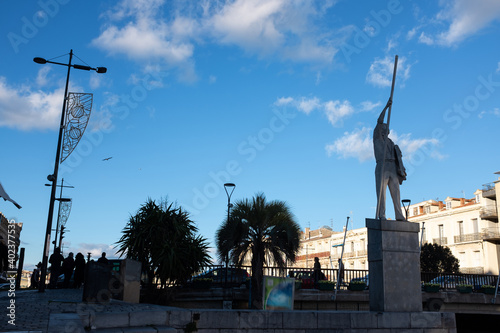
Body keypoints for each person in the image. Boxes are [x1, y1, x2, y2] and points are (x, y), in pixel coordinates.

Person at [373, 99, 406, 221]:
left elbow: (399, 159)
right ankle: (382, 215)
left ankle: (399, 215)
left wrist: (401, 169)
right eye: (384, 127)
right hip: (382, 165)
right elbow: (379, 121)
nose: (385, 128)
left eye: (387, 127)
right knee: (382, 193)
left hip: (392, 167)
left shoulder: (392, 143)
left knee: (396, 193)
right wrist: (386, 107)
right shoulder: (377, 138)